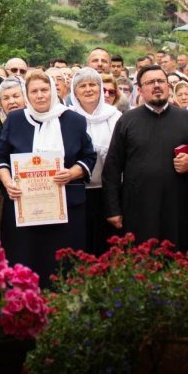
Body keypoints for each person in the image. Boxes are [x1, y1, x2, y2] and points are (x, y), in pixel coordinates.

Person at [0, 69, 96, 280]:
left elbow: (89, 157)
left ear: (53, 91)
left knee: (62, 267)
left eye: (44, 89)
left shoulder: (74, 120)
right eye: (34, 91)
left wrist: (71, 173)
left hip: (66, 209)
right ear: (27, 95)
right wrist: (7, 182)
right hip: (23, 206)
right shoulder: (15, 120)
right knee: (24, 263)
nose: (40, 95)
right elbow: (0, 158)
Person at [103, 65, 188, 250]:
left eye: (160, 81)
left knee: (176, 261)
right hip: (137, 207)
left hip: (177, 207)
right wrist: (113, 209)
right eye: (150, 82)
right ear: (140, 90)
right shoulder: (127, 121)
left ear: (168, 86)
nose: (156, 86)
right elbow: (112, 168)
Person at [69, 67, 121, 256]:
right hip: (77, 190)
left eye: (93, 84)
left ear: (100, 89)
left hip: (108, 191)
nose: (88, 89)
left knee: (106, 244)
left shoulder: (115, 116)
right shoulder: (67, 117)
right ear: (75, 92)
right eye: (83, 86)